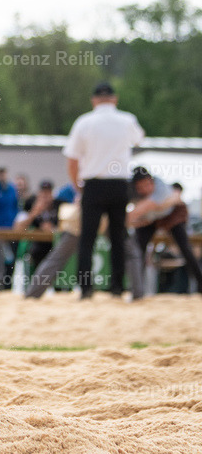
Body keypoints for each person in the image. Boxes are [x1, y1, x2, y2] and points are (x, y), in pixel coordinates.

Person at [63, 82, 144, 298]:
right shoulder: (127, 120)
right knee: (118, 238)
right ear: (114, 99)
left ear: (94, 100)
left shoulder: (84, 122)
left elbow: (72, 160)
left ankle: (86, 289)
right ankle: (117, 287)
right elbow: (139, 139)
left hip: (93, 184)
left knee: (87, 238)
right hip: (119, 185)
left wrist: (77, 185)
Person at [128, 167, 202, 293]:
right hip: (150, 218)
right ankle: (137, 289)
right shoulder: (131, 191)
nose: (145, 189)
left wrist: (124, 221)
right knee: (139, 250)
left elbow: (143, 208)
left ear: (152, 181)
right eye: (140, 187)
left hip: (171, 214)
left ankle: (200, 284)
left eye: (147, 185)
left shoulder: (160, 187)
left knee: (185, 248)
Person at [0, 166, 20, 289]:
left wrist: (15, 225)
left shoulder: (12, 189)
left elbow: (15, 207)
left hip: (11, 230)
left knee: (10, 260)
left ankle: (8, 285)